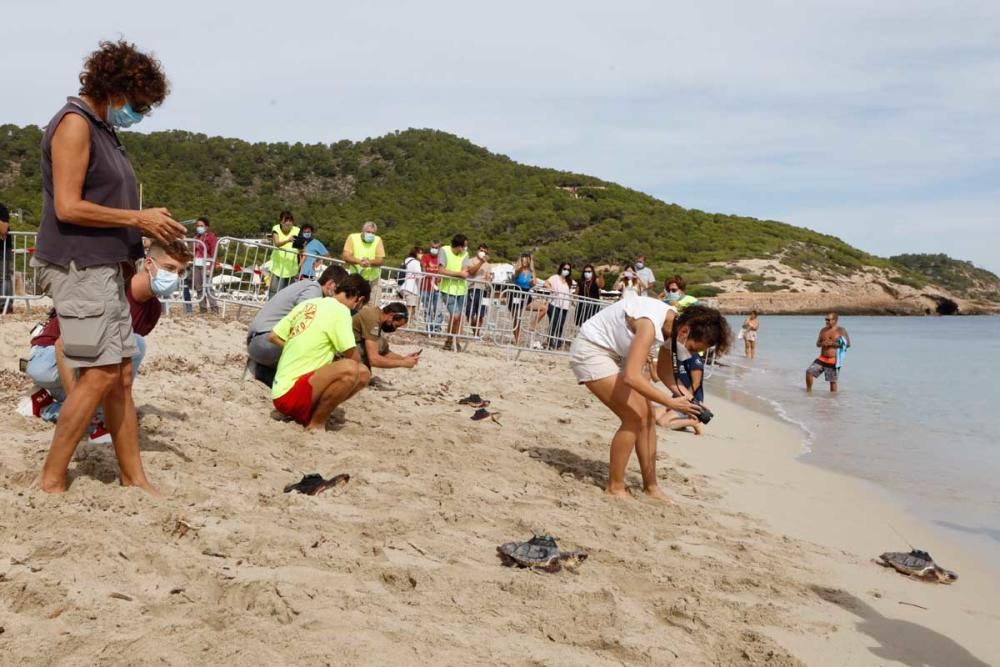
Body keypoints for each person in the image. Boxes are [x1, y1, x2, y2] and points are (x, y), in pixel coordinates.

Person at [31, 39, 185, 494]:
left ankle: (133, 477)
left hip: (105, 264)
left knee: (118, 374)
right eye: (138, 104)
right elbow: (67, 206)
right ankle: (51, 478)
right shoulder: (74, 125)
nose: (140, 113)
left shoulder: (103, 129)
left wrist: (143, 233)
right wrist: (137, 218)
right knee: (98, 373)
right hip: (80, 265)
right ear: (115, 89)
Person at [24, 239, 190, 440]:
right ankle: (80, 411)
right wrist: (79, 409)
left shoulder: (153, 310)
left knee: (124, 351)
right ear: (148, 263)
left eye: (180, 272)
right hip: (47, 358)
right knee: (134, 344)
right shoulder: (111, 289)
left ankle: (46, 405)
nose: (174, 277)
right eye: (169, 268)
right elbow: (61, 346)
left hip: (82, 361)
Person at [569, 298, 731, 500]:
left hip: (615, 356)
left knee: (648, 418)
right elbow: (632, 377)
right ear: (685, 332)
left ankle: (651, 487)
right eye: (692, 348)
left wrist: (686, 396)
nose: (690, 353)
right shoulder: (650, 324)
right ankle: (615, 487)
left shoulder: (673, 326)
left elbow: (664, 372)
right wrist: (669, 402)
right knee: (634, 417)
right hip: (591, 351)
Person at [268, 278, 371, 431]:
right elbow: (352, 356)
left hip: (280, 392)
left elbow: (273, 336)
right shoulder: (341, 311)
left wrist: (299, 348)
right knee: (352, 369)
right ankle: (316, 423)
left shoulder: (309, 304)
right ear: (359, 299)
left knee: (363, 373)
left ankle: (308, 413)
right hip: (292, 393)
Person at [247, 264, 350, 385]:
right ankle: (262, 371)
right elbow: (306, 325)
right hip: (264, 342)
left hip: (260, 340)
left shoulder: (308, 287)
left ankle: (265, 370)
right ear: (331, 284)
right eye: (340, 291)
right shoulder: (313, 293)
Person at [438, 234, 485, 351]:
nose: (465, 249)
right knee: (455, 316)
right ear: (458, 246)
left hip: (461, 290)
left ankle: (451, 341)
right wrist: (458, 274)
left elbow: (466, 271)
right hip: (447, 289)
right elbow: (441, 270)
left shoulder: (465, 254)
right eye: (464, 246)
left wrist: (460, 273)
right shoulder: (444, 250)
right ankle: (454, 341)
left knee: (457, 318)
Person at [351, 302, 420, 370]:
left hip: (352, 345)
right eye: (396, 325)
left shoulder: (376, 314)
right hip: (344, 352)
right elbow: (374, 360)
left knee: (381, 343)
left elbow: (385, 352)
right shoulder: (372, 320)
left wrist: (404, 359)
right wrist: (403, 363)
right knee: (378, 344)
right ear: (391, 316)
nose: (394, 329)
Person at [806, 312, 851, 393]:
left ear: (835, 320)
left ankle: (833, 400)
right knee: (809, 373)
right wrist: (822, 344)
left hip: (833, 360)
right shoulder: (823, 330)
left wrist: (833, 344)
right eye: (825, 320)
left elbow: (848, 344)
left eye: (828, 320)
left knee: (832, 382)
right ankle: (808, 392)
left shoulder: (841, 330)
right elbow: (817, 344)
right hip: (822, 359)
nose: (826, 321)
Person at [508, 252, 541, 343]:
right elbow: (516, 274)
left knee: (543, 308)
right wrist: (521, 267)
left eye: (527, 259)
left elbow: (534, 283)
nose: (525, 261)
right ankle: (517, 339)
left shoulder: (532, 271)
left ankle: (532, 325)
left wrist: (532, 282)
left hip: (526, 294)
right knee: (516, 317)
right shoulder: (518, 269)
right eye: (523, 259)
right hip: (516, 293)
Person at [269, 210, 301, 297]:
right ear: (281, 221)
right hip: (277, 266)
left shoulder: (297, 230)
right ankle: (271, 307)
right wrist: (288, 240)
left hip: (291, 266)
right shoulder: (276, 228)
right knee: (274, 290)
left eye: (290, 220)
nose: (288, 223)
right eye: (286, 220)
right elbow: (277, 243)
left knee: (288, 293)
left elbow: (301, 247)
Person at [543, 262, 573, 349]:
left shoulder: (569, 281)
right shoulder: (555, 277)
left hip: (564, 306)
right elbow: (546, 283)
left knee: (561, 324)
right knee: (554, 323)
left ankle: (558, 342)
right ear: (561, 269)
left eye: (568, 269)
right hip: (554, 304)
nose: (566, 271)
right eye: (564, 269)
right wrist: (550, 288)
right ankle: (551, 341)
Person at [465, 243, 492, 337]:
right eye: (481, 250)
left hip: (483, 290)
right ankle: (475, 330)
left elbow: (488, 278)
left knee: (481, 314)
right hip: (472, 289)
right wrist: (481, 262)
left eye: (485, 252)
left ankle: (476, 333)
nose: (483, 253)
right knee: (470, 313)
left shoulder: (488, 265)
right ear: (477, 250)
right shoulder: (470, 261)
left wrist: (489, 279)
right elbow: (471, 272)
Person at [192, 216, 219, 313]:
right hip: (196, 264)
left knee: (208, 286)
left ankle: (214, 308)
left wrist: (211, 267)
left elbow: (214, 252)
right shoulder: (196, 237)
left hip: (206, 264)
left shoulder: (211, 237)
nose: (199, 227)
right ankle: (202, 308)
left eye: (201, 225)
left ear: (206, 227)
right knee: (198, 286)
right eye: (198, 225)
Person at [419, 240, 442, 333]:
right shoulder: (425, 257)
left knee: (438, 309)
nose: (434, 249)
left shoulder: (441, 258)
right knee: (427, 309)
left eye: (436, 248)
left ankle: (437, 328)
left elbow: (443, 270)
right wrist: (431, 277)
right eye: (433, 247)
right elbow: (424, 270)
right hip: (426, 287)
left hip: (438, 288)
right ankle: (429, 327)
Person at [400, 245, 423, 323]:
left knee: (410, 306)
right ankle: (406, 323)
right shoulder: (415, 262)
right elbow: (418, 275)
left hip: (405, 286)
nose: (421, 255)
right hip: (411, 287)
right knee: (411, 306)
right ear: (416, 253)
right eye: (420, 253)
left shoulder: (406, 260)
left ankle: (407, 322)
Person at [0, 203, 12, 315]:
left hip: (3, 247)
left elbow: (4, 229)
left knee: (4, 276)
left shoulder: (1, 208)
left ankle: (6, 305)